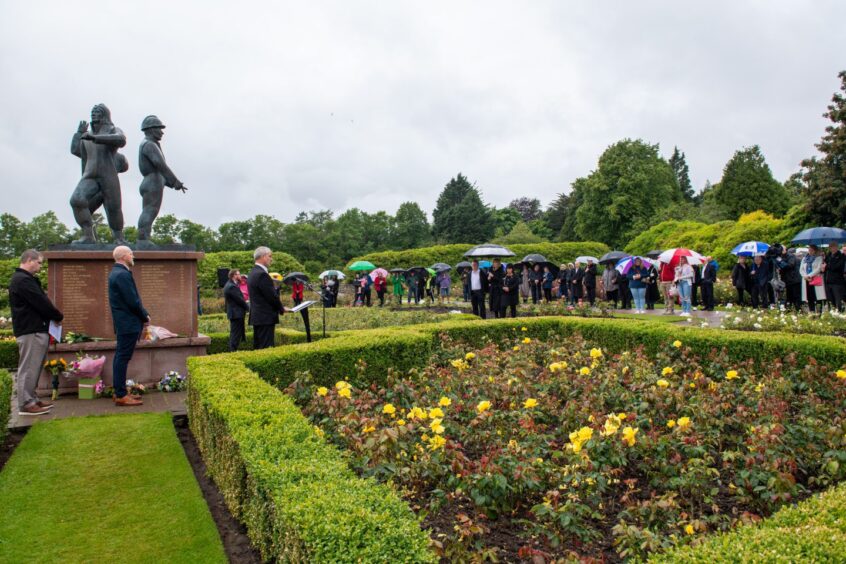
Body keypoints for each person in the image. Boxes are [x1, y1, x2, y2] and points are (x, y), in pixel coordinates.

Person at [9, 249, 63, 416]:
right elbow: (41, 303)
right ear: (30, 260)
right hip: (30, 330)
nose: (40, 266)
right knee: (28, 367)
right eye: (39, 263)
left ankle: (31, 398)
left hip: (34, 329)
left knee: (34, 366)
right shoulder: (22, 280)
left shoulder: (25, 279)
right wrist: (57, 316)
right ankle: (26, 403)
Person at [69, 104, 129, 244]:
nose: (94, 114)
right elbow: (76, 150)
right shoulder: (86, 135)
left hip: (107, 174)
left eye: (98, 112)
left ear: (105, 115)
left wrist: (97, 138)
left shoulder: (112, 130)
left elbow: (121, 139)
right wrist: (78, 134)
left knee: (113, 207)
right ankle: (88, 235)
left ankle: (119, 238)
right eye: (93, 112)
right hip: (90, 175)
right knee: (76, 200)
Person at [135, 115, 187, 247]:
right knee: (150, 210)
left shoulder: (149, 144)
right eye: (159, 128)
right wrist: (175, 181)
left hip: (153, 180)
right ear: (151, 129)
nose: (162, 132)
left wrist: (172, 183)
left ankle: (145, 238)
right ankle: (143, 240)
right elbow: (160, 165)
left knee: (151, 210)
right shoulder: (149, 145)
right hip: (153, 181)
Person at [108, 246, 148, 406]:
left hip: (124, 323)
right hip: (127, 323)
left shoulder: (117, 273)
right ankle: (120, 395)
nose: (133, 256)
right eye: (131, 254)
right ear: (124, 256)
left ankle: (120, 390)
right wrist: (144, 315)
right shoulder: (122, 274)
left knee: (121, 357)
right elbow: (132, 301)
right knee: (122, 357)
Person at [247, 246, 286, 349]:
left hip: (258, 317)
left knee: (259, 348)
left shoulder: (252, 272)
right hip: (265, 317)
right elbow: (272, 297)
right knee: (266, 348)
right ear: (263, 257)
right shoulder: (262, 274)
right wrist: (281, 308)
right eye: (270, 256)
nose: (271, 259)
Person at [224, 268, 249, 352]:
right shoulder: (232, 286)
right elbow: (240, 300)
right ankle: (233, 352)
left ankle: (233, 350)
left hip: (235, 313)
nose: (240, 276)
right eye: (238, 274)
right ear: (233, 276)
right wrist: (248, 308)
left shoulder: (230, 284)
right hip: (236, 314)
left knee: (235, 333)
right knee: (235, 334)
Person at [800, 245, 825, 313]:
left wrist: (809, 276)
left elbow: (818, 268)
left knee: (817, 297)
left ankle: (819, 312)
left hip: (815, 278)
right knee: (809, 297)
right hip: (806, 280)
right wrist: (805, 276)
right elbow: (801, 269)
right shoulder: (804, 258)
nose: (810, 252)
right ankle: (812, 311)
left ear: (815, 251)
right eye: (809, 250)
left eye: (812, 250)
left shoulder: (819, 258)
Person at [822, 241, 846, 312]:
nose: (831, 248)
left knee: (838, 300)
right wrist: (823, 267)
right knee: (830, 301)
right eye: (830, 246)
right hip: (828, 281)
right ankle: (832, 313)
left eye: (833, 246)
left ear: (836, 247)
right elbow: (825, 265)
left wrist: (826, 267)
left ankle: (840, 314)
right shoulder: (828, 256)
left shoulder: (841, 256)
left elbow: (837, 267)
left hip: (837, 282)